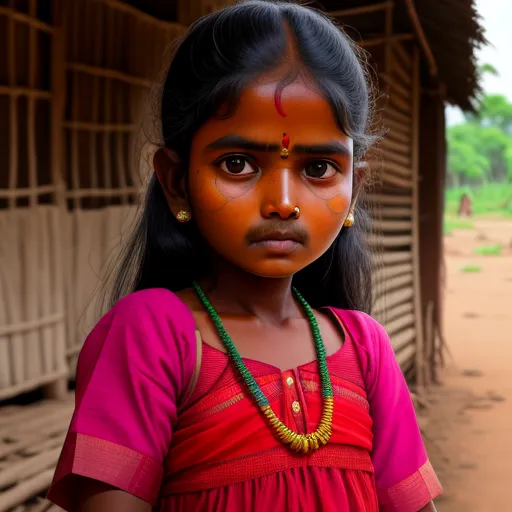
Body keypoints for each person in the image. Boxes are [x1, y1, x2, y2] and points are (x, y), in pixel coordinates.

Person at [47, 1, 442, 510]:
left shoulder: (366, 350)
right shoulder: (155, 335)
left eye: (318, 168)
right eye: (237, 164)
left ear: (355, 188)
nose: (282, 202)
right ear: (175, 181)